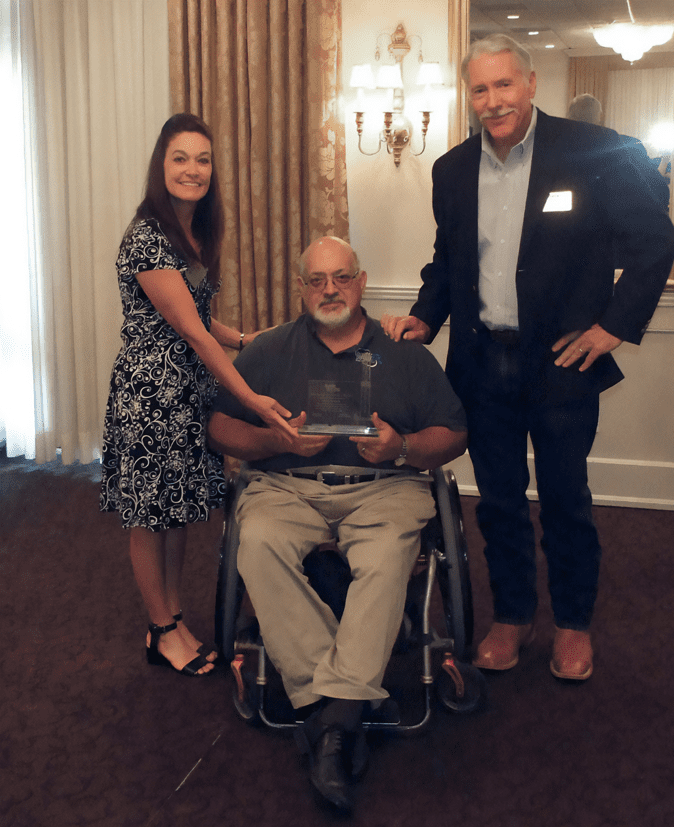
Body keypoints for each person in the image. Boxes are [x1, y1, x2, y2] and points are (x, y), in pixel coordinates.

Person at [382, 35, 674, 681]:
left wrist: (613, 327)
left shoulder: (594, 151)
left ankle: (573, 624)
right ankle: (512, 616)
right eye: (481, 90)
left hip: (562, 367)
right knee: (499, 503)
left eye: (504, 86)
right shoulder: (451, 171)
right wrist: (424, 317)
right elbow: (448, 263)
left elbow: (656, 240)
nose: (494, 101)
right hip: (482, 367)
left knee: (567, 500)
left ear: (531, 83)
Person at [207, 236, 467, 814]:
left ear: (362, 281)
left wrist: (402, 449)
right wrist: (275, 440)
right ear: (301, 287)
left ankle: (329, 719)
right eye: (317, 279)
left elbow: (453, 434)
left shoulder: (403, 352)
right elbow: (219, 428)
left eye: (341, 277)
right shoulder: (269, 350)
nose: (330, 289)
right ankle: (346, 706)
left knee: (385, 557)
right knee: (259, 540)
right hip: (286, 486)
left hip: (385, 488)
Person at [100, 113, 294, 678]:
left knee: (177, 510)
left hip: (186, 391)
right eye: (180, 158)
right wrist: (253, 399)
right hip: (150, 394)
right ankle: (161, 631)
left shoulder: (194, 231)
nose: (193, 169)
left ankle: (175, 615)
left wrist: (245, 339)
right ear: (162, 167)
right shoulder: (147, 236)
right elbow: (189, 330)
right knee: (148, 515)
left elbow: (204, 318)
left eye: (203, 159)